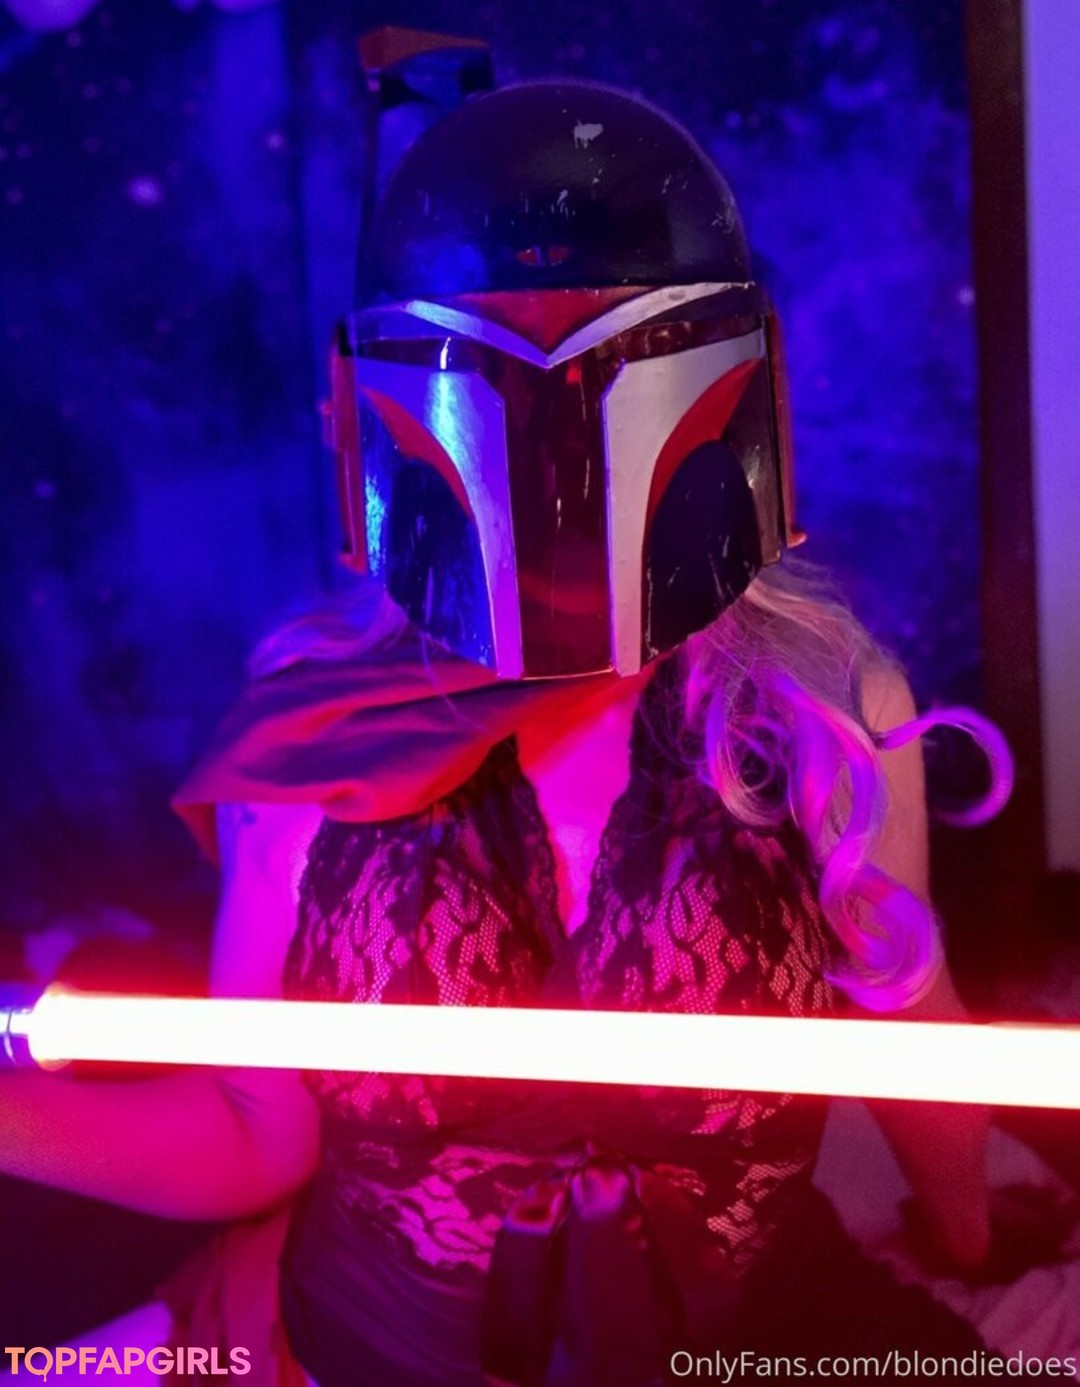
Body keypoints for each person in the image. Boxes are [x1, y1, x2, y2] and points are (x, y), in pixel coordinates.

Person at [0, 80, 1021, 1386]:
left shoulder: (817, 711)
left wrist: (971, 1238)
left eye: (607, 355)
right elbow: (258, 1129)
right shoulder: (322, 736)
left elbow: (913, 1036)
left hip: (745, 1344)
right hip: (367, 1347)